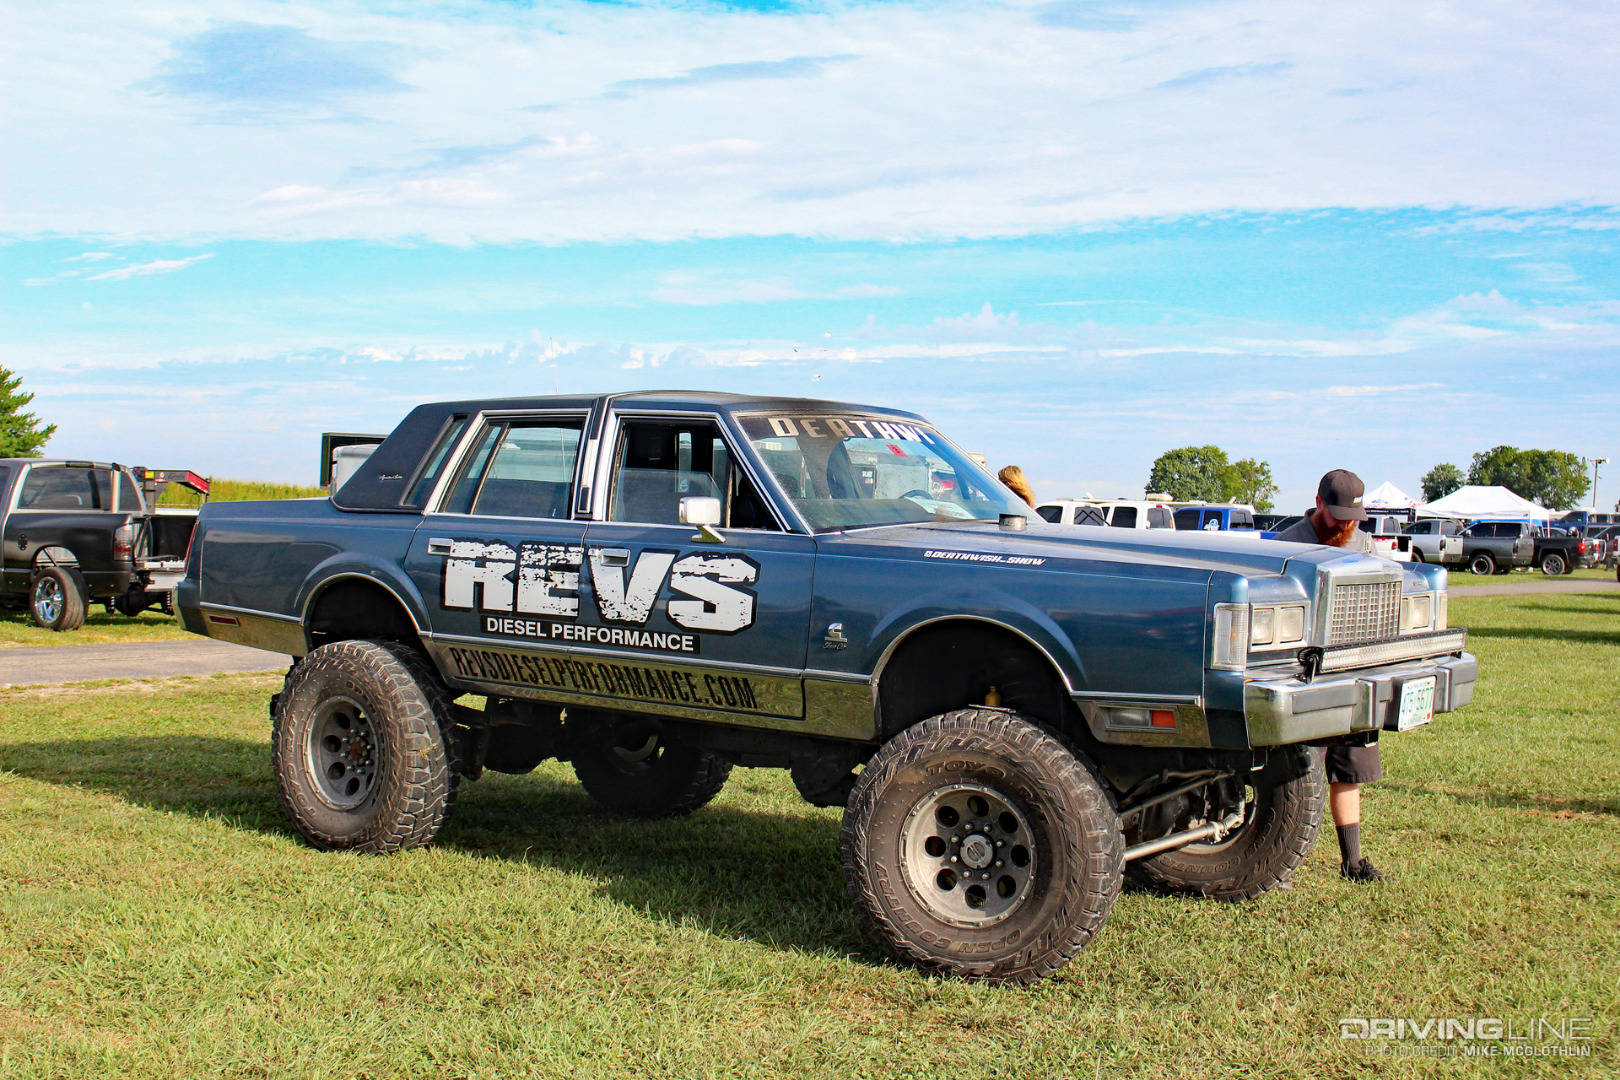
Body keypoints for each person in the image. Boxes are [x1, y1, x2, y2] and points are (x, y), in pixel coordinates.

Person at [1271, 469, 1383, 883]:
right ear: (1319, 503)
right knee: (1299, 773)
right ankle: (1275, 862)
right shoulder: (1289, 546)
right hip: (1306, 676)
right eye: (1337, 515)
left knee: (1349, 767)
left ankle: (1353, 863)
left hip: (1352, 671)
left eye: (1352, 517)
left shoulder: (1363, 543)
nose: (1345, 525)